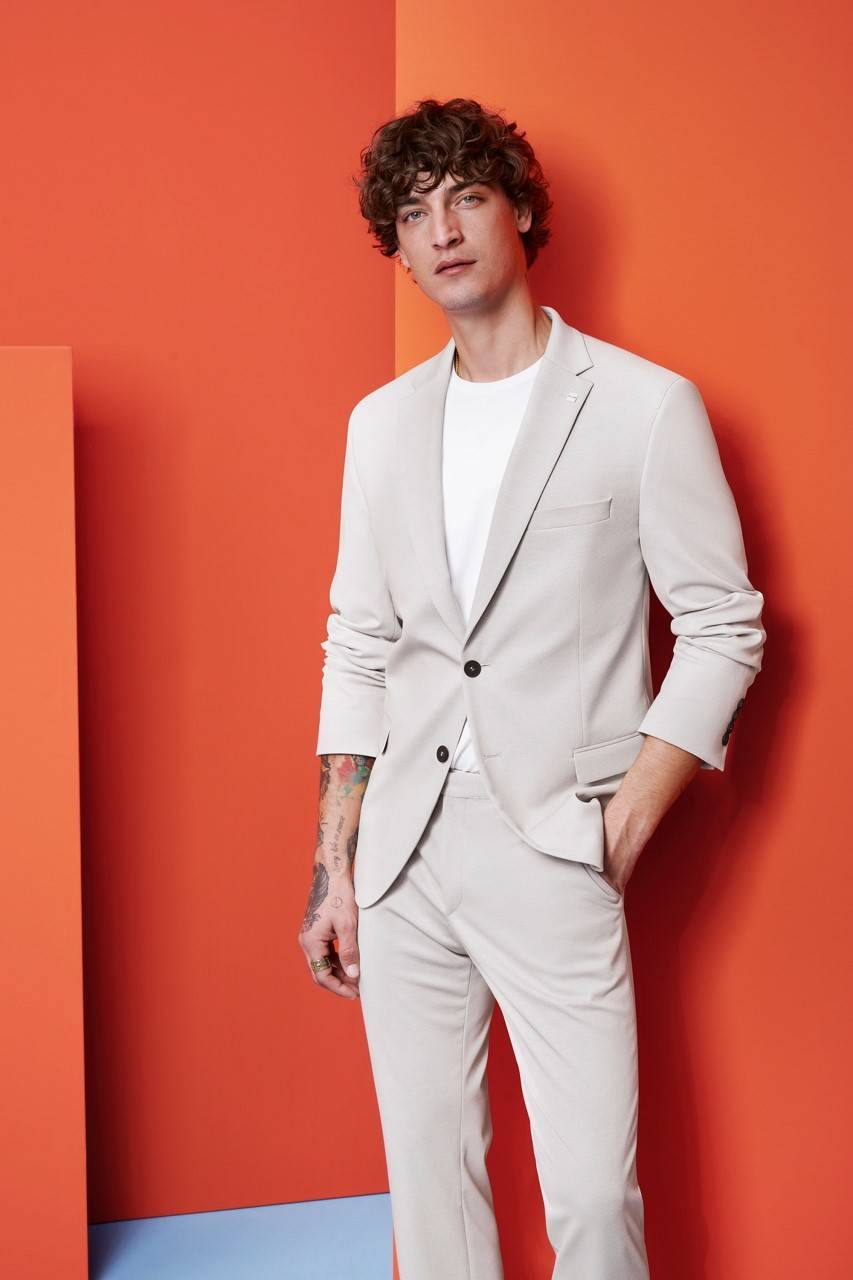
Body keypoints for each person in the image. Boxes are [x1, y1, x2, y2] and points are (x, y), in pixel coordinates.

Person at [297, 96, 766, 1279]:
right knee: (431, 1191)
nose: (443, 230)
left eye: (466, 197)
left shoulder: (643, 404)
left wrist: (622, 821)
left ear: (517, 212)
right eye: (414, 213)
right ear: (398, 248)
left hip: (554, 837)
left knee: (594, 1198)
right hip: (402, 853)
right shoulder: (380, 426)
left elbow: (722, 625)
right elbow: (358, 641)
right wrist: (335, 868)